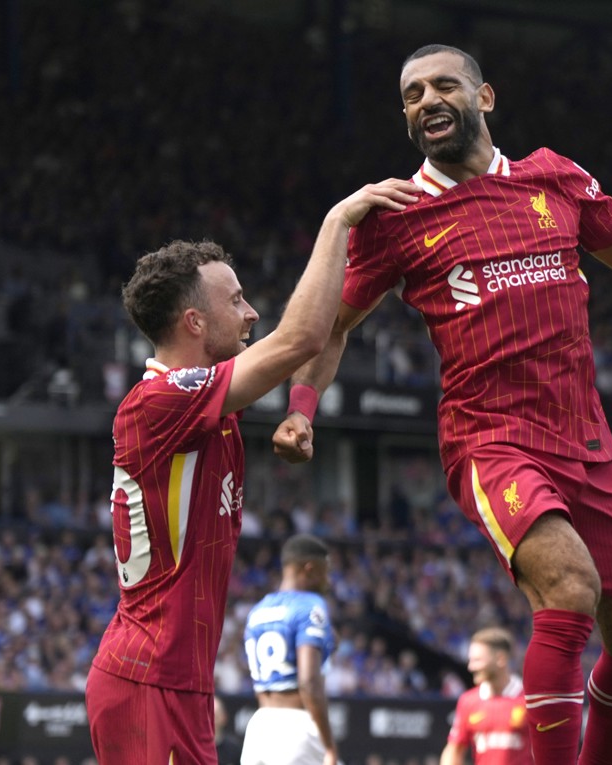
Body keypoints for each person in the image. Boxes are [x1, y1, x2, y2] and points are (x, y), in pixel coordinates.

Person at [271, 44, 612, 765]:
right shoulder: (396, 216)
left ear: (484, 98)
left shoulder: (555, 178)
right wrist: (303, 406)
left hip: (587, 442)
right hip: (491, 439)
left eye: (443, 86)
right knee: (570, 584)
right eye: (412, 93)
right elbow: (333, 322)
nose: (427, 100)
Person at [86, 178, 419, 765]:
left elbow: (329, 330)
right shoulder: (160, 403)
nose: (251, 311)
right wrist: (337, 221)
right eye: (236, 299)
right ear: (193, 321)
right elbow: (302, 336)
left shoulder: (204, 403)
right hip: (145, 678)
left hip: (179, 681)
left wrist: (301, 409)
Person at [241, 534, 339, 765]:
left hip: (260, 727)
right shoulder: (310, 606)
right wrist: (329, 746)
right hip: (297, 729)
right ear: (310, 569)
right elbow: (309, 683)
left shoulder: (257, 611)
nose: (328, 580)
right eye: (325, 571)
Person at [440, 627, 531, 765]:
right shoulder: (468, 701)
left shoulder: (530, 699)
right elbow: (454, 750)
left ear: (500, 659)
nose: (471, 667)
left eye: (477, 660)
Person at [214, 696, 242, 765]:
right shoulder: (197, 748)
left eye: (216, 716)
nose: (213, 721)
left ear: (224, 717)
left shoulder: (234, 749)